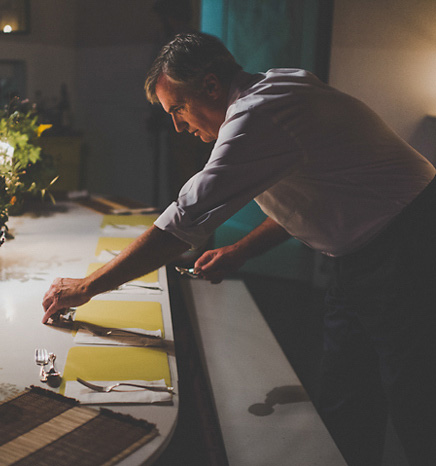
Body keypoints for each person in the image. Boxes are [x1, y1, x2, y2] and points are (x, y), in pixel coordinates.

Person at [41, 32, 436, 465]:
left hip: (410, 247)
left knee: (417, 400)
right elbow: (313, 198)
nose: (177, 125)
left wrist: (87, 287)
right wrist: (241, 251)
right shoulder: (280, 87)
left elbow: (184, 220)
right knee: (346, 394)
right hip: (365, 256)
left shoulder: (255, 115)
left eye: (178, 108)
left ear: (211, 86)